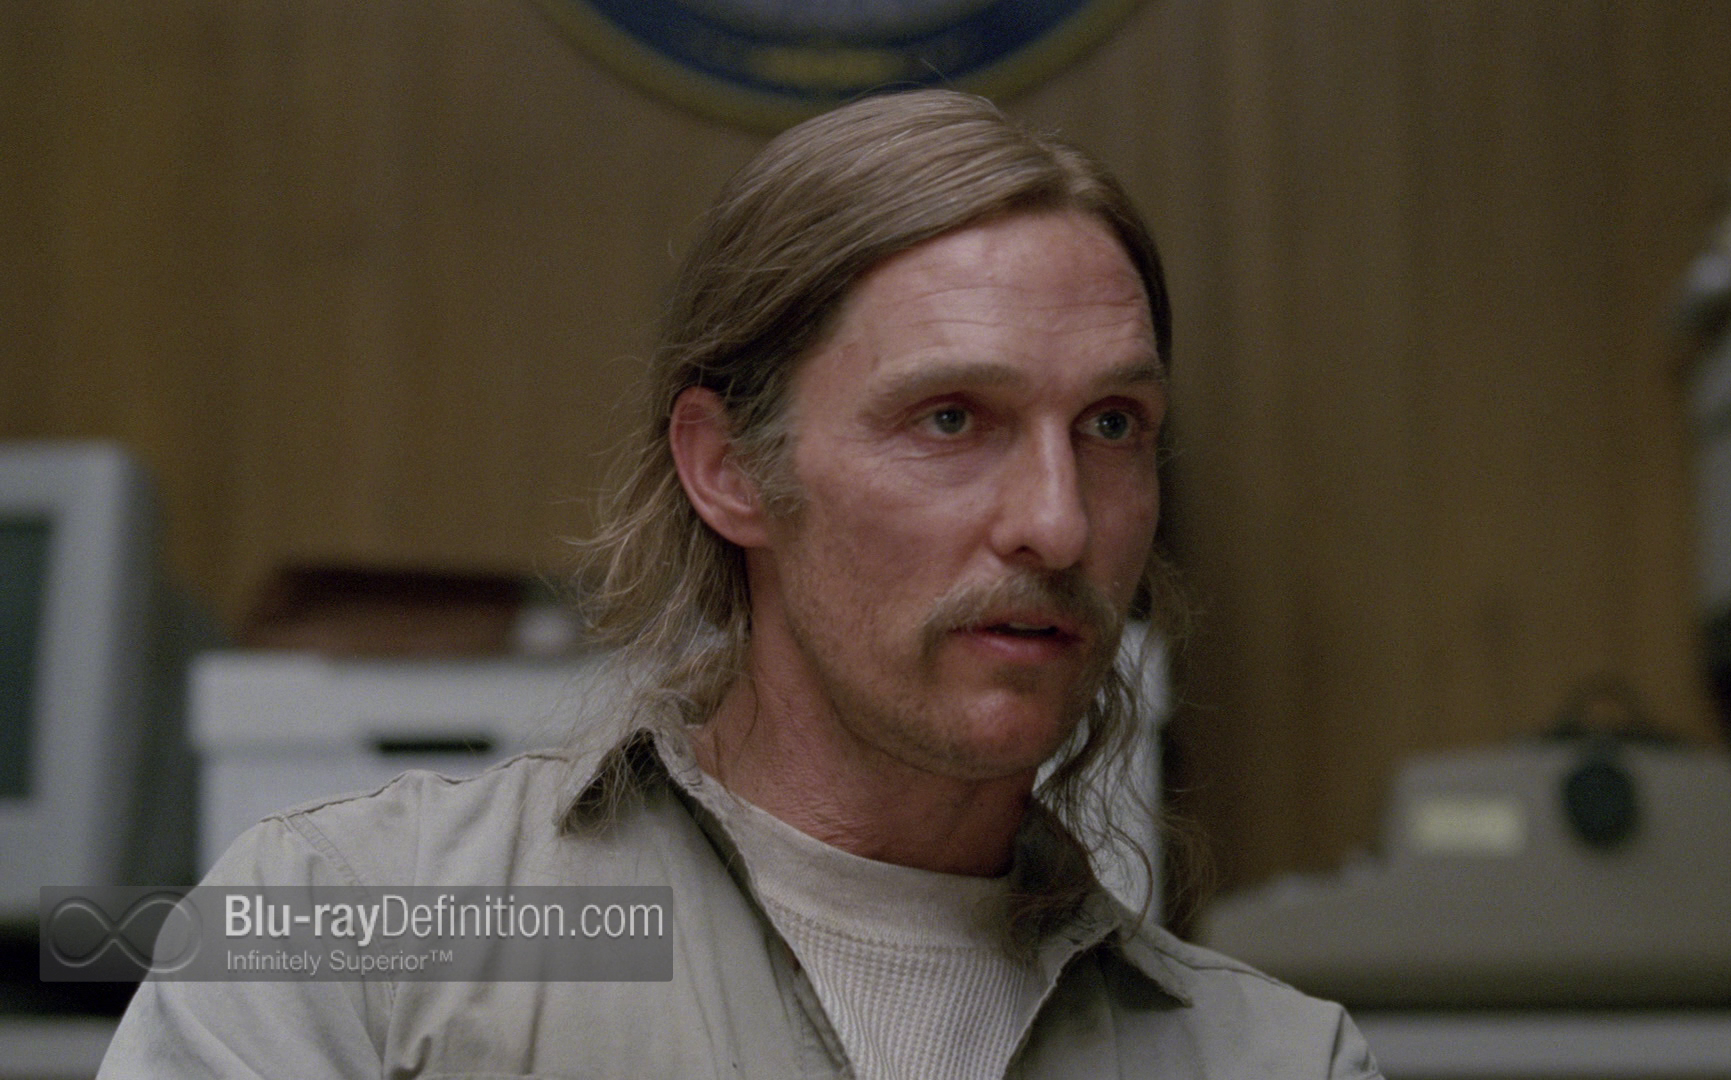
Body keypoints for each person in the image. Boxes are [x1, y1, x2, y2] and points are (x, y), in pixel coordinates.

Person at [102, 89, 1381, 1079]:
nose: (1057, 520)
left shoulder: (1272, 1061)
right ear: (728, 469)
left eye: (1111, 426)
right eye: (950, 418)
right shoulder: (345, 925)